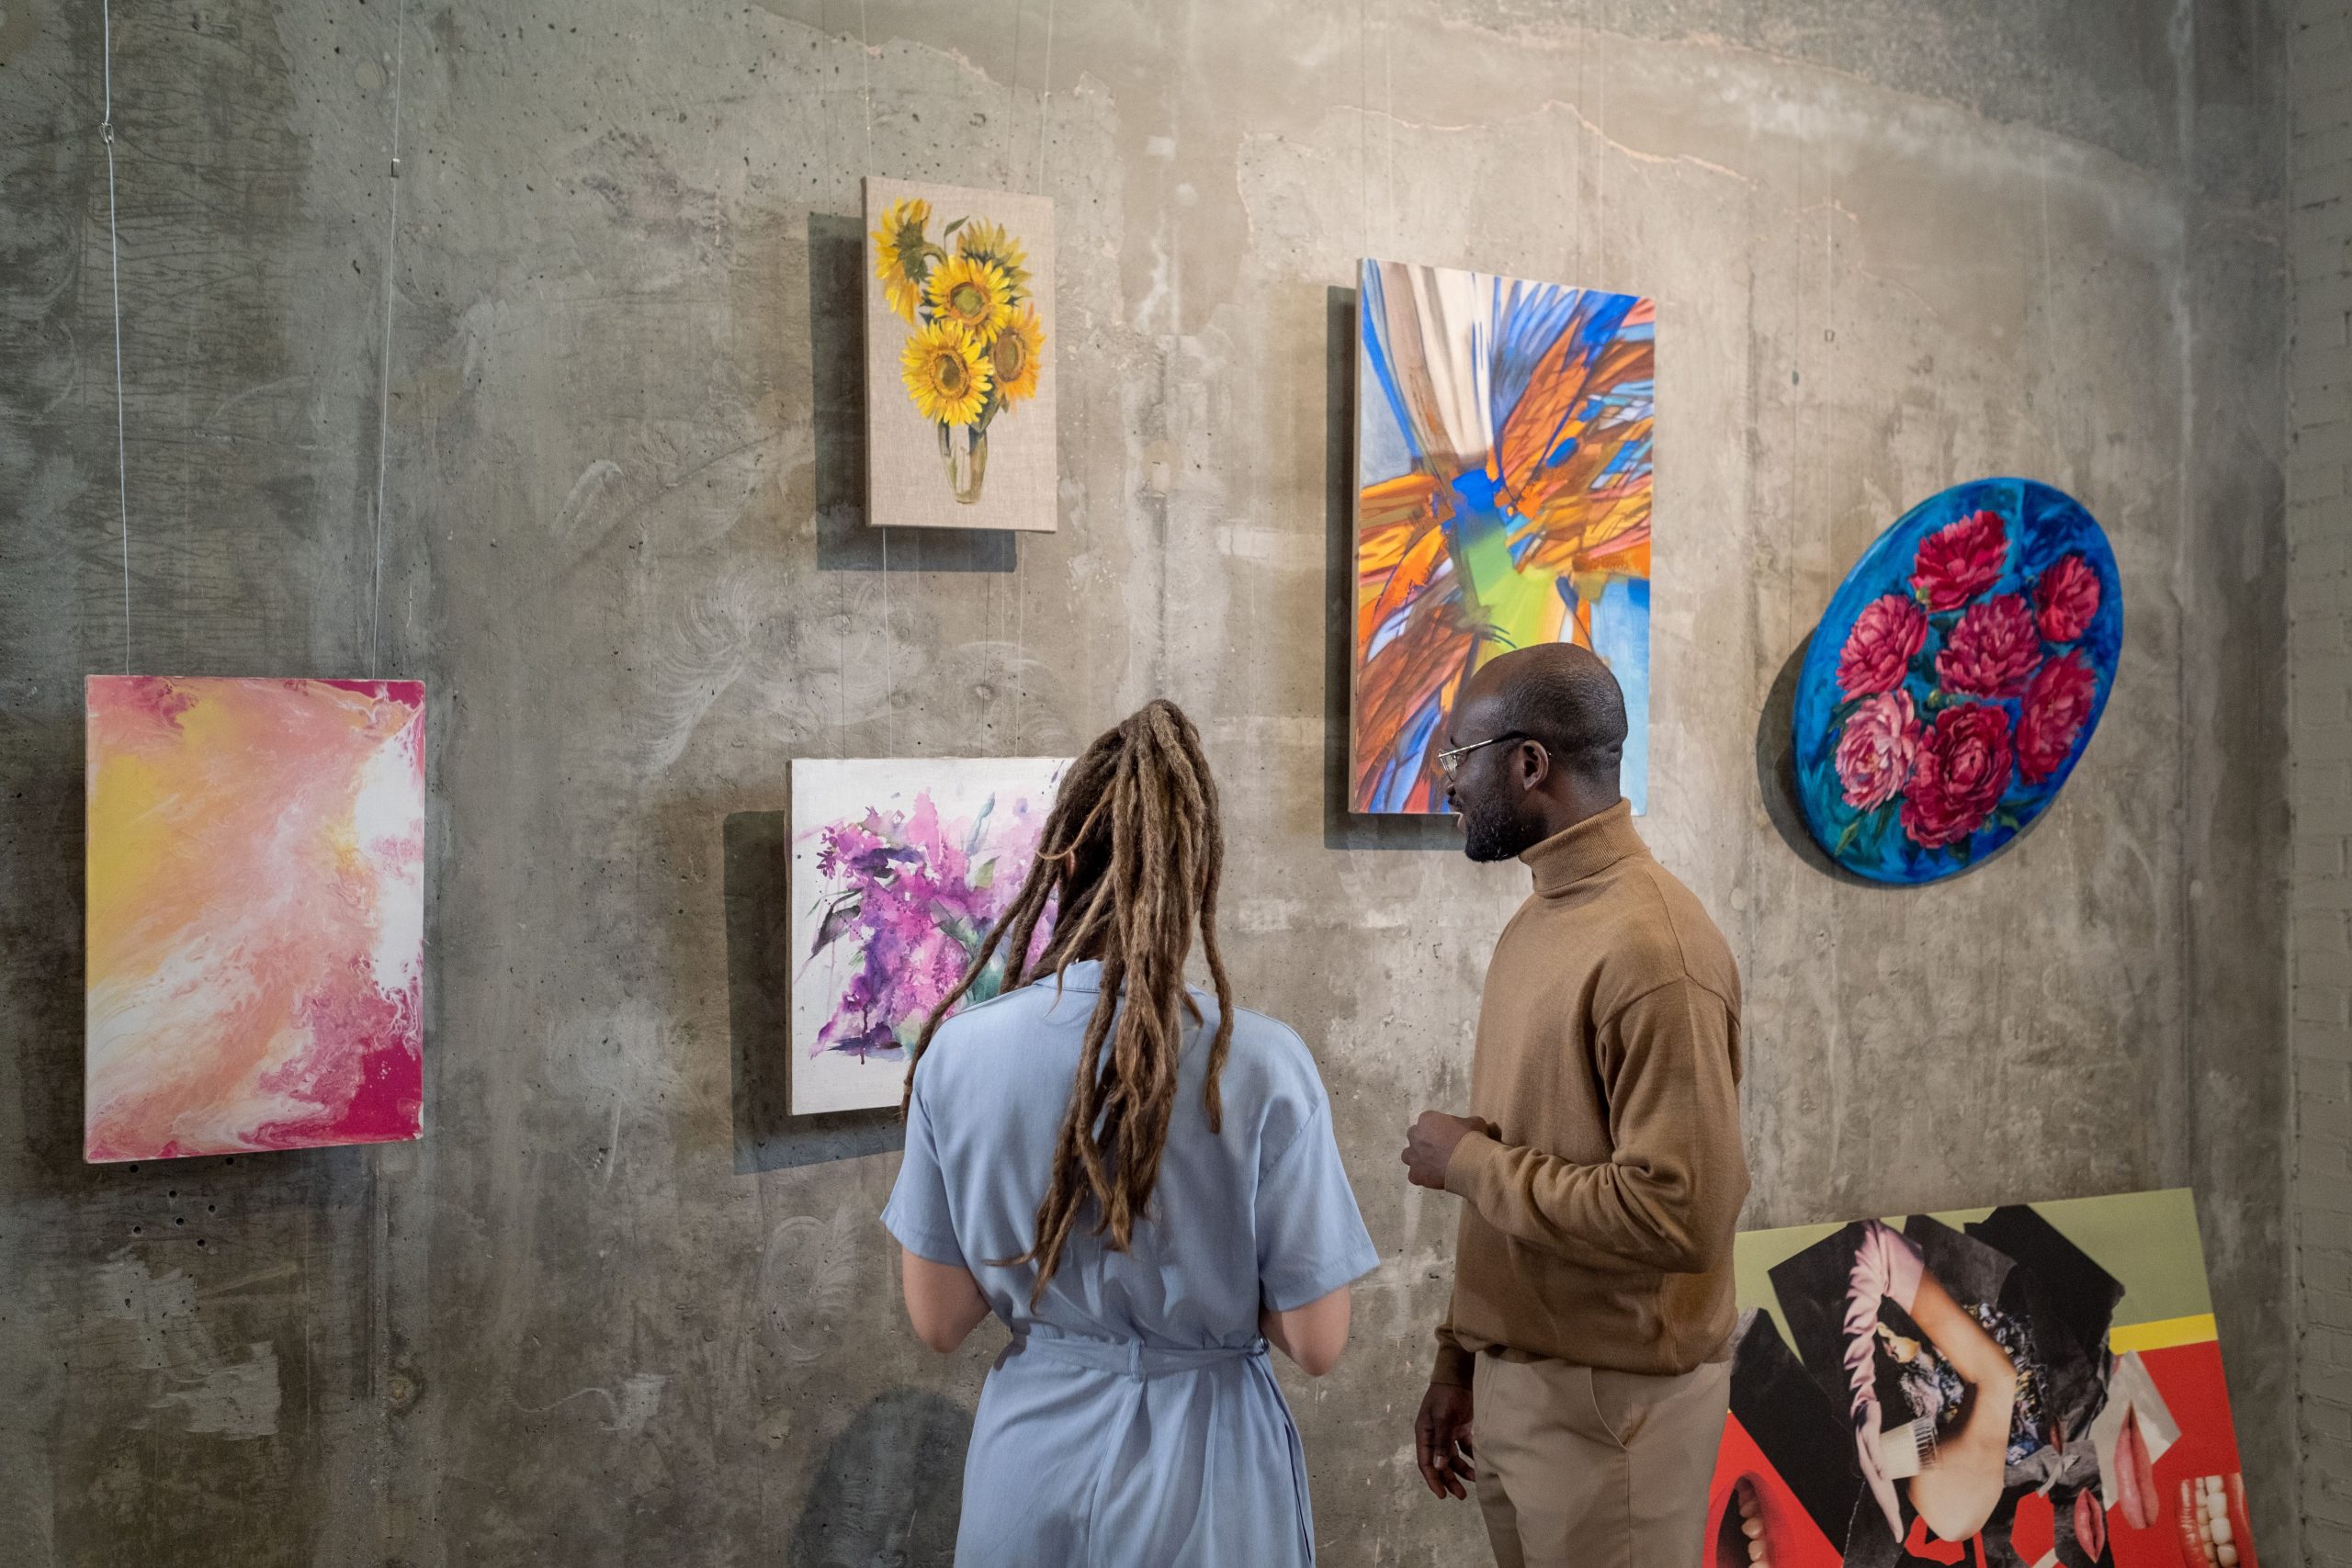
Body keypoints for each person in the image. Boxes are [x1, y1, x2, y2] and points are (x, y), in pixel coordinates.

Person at [882, 699, 1381, 1567]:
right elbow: (1318, 1340)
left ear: (1063, 859)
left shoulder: (957, 1054)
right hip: (1209, 1482)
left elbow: (939, 1319)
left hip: (1029, 1471)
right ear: (1197, 872)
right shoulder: (1258, 1064)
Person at [1399, 643, 1749, 1568]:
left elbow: (1680, 1215)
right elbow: (1531, 1159)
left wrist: (1465, 1162)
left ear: (1526, 763)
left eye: (1454, 761)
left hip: (1616, 1412)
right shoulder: (1540, 922)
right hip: (1524, 1390)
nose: (1446, 788)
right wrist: (1462, 1354)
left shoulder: (1653, 952)